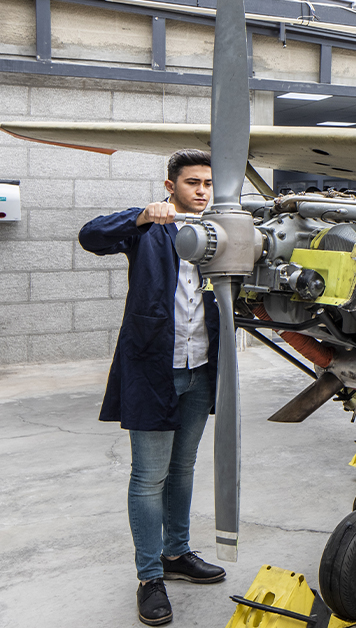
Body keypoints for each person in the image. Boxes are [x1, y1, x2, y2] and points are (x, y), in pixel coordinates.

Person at [79, 149, 227, 626]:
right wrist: (141, 215)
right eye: (192, 183)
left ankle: (176, 554)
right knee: (148, 477)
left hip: (202, 368)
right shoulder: (147, 230)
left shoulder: (223, 234)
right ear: (170, 186)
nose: (201, 191)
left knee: (182, 469)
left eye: (207, 183)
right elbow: (90, 236)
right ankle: (149, 577)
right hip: (153, 369)